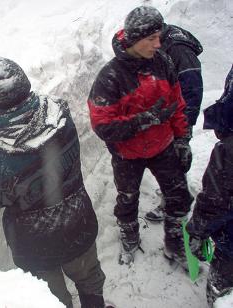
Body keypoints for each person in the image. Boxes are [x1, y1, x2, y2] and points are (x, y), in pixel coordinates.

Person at [0, 57, 108, 308]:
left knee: (53, 300)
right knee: (89, 280)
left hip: (36, 245)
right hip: (78, 223)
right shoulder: (59, 112)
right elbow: (21, 114)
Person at [87, 6, 193, 266]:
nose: (159, 44)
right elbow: (102, 125)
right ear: (134, 39)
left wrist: (182, 138)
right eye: (151, 39)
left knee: (179, 196)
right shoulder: (110, 77)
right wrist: (142, 121)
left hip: (164, 145)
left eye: (160, 36)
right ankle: (129, 235)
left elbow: (177, 104)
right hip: (127, 155)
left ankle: (175, 242)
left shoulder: (163, 63)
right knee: (127, 199)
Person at [145, 21, 203, 222]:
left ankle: (175, 206)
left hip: (178, 119)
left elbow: (192, 92)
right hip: (166, 115)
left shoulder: (179, 50)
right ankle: (175, 199)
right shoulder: (160, 41)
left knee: (175, 161)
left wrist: (183, 133)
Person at [186, 65, 233, 307]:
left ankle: (218, 295)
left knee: (222, 284)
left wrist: (197, 231)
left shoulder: (229, 151)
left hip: (231, 249)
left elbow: (216, 199)